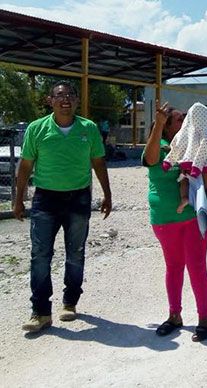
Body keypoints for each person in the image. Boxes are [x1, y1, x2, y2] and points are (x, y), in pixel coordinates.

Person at [15, 81, 112, 332]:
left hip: (78, 199)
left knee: (75, 253)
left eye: (70, 95)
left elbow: (98, 162)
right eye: (59, 95)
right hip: (45, 200)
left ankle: (70, 302)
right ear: (50, 100)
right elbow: (25, 166)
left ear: (77, 101)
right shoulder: (37, 129)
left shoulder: (88, 129)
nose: (65, 99)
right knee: (40, 256)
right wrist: (19, 199)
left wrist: (107, 194)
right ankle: (40, 312)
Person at [143, 101, 207, 342]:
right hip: (164, 219)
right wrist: (158, 126)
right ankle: (174, 315)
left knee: (197, 267)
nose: (185, 122)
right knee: (173, 267)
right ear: (167, 127)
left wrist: (204, 152)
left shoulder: (194, 145)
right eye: (178, 119)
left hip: (192, 217)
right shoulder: (160, 145)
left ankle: (203, 319)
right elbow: (150, 158)